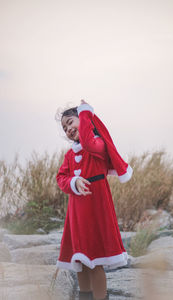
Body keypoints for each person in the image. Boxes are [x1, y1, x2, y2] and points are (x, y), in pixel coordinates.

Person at [56, 100, 133, 300]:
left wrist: (86, 113)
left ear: (83, 120)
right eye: (64, 128)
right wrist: (73, 182)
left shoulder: (98, 145)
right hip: (77, 211)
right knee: (79, 259)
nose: (68, 129)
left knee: (95, 260)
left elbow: (89, 142)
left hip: (97, 207)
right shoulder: (69, 155)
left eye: (71, 122)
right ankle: (84, 297)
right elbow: (61, 178)